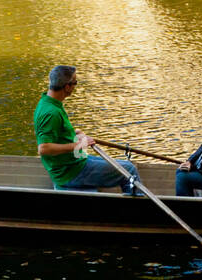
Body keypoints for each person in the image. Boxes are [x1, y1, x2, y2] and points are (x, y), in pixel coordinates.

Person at [34, 65, 140, 193]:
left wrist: (74, 133)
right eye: (75, 83)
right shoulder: (51, 113)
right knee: (129, 171)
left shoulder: (48, 102)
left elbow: (55, 134)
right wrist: (77, 145)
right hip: (71, 172)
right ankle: (138, 211)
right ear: (67, 86)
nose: (75, 86)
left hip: (75, 161)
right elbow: (44, 148)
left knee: (126, 166)